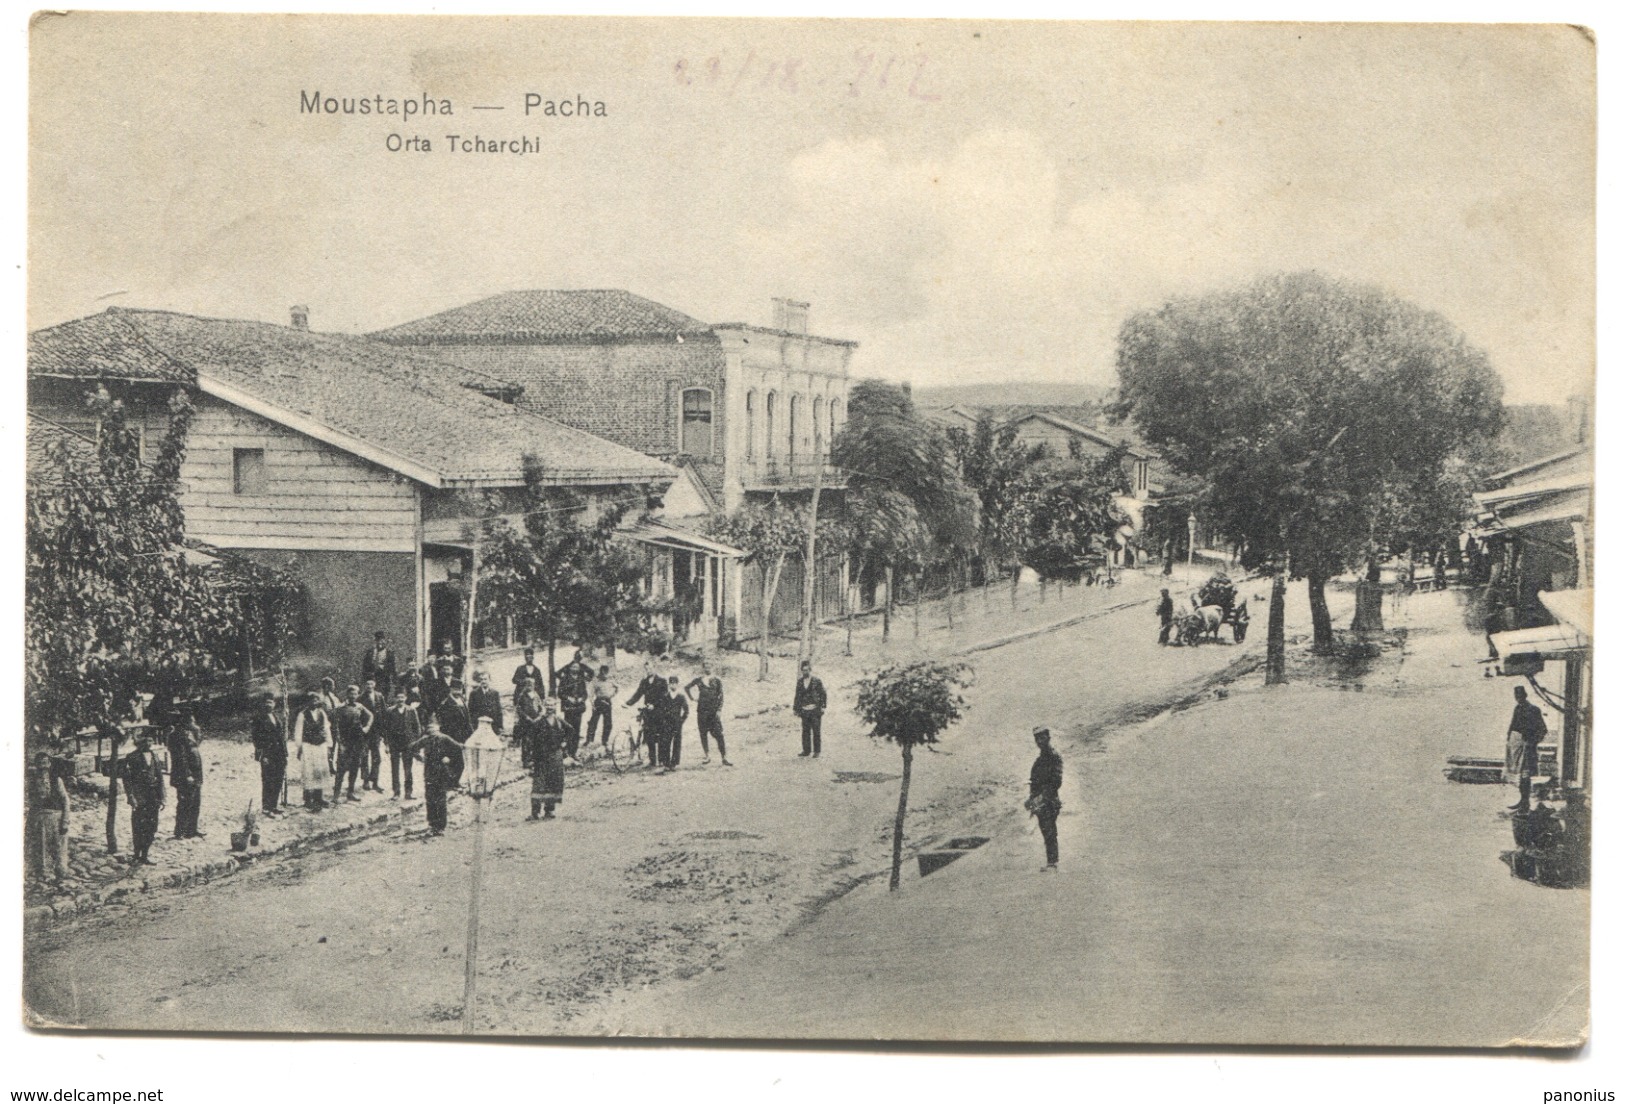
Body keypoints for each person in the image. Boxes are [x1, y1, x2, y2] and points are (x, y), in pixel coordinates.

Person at [410, 717, 464, 836]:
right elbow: (413, 748)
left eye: (434, 730)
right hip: (429, 771)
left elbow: (458, 749)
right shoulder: (426, 739)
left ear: (438, 729)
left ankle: (441, 825)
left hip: (441, 772)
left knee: (440, 798)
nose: (433, 733)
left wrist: (449, 759)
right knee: (430, 798)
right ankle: (432, 824)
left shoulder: (445, 738)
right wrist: (419, 757)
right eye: (430, 731)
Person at [27, 748, 70, 885]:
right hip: (40, 818)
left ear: (50, 764)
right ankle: (44, 874)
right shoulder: (32, 782)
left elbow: (65, 800)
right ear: (36, 765)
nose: (43, 767)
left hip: (56, 816)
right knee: (42, 847)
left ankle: (61, 874)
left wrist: (65, 821)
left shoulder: (56, 780)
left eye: (45, 763)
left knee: (59, 846)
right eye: (40, 763)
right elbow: (32, 803)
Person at [122, 731, 167, 865]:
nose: (148, 744)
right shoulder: (131, 757)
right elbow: (127, 780)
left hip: (153, 796)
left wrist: (162, 797)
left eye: (151, 741)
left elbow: (160, 777)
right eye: (145, 741)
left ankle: (145, 855)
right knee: (138, 826)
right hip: (140, 796)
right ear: (139, 742)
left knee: (152, 826)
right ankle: (136, 854)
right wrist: (131, 797)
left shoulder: (155, 756)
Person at [1026, 726, 1063, 871]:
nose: (1039, 741)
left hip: (1049, 800)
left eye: (1042, 738)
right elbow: (1034, 780)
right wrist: (1031, 799)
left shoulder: (1053, 757)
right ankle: (1051, 862)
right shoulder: (1040, 759)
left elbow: (1056, 781)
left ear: (1048, 737)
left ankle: (1053, 863)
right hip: (1040, 802)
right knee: (1045, 830)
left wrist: (1041, 797)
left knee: (1049, 830)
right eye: (1037, 739)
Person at [1507, 685, 1549, 812]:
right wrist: (1509, 740)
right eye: (1516, 696)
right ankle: (1522, 801)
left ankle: (1525, 804)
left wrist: (1532, 742)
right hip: (1518, 748)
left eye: (1520, 696)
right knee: (1520, 776)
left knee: (1526, 776)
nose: (1518, 698)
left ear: (1525, 696)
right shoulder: (1517, 709)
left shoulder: (1534, 710)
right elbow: (1513, 726)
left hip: (1529, 749)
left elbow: (1543, 730)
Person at [525, 697, 569, 820]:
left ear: (555, 706)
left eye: (552, 705)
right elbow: (529, 739)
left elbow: (571, 731)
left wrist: (564, 745)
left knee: (553, 782)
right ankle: (535, 812)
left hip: (555, 756)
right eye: (547, 705)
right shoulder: (538, 722)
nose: (550, 708)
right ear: (544, 706)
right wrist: (530, 757)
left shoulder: (559, 721)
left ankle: (549, 810)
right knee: (539, 783)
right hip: (541, 757)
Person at [330, 684, 375, 804]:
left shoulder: (360, 707)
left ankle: (350, 793)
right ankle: (336, 795)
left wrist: (367, 727)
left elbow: (371, 716)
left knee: (355, 767)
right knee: (341, 768)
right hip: (345, 741)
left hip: (357, 741)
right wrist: (340, 743)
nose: (353, 696)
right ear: (347, 694)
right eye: (351, 693)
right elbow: (335, 727)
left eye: (356, 694)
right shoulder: (340, 708)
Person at [376, 689, 421, 799]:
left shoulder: (411, 710)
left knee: (408, 769)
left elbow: (417, 727)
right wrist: (386, 744)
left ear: (405, 698)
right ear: (395, 699)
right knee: (395, 769)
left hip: (408, 744)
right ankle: (396, 792)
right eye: (398, 697)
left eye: (402, 697)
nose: (400, 700)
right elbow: (385, 729)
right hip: (394, 743)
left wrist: (416, 743)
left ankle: (408, 793)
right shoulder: (389, 711)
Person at [292, 693, 333, 811]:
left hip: (320, 745)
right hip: (308, 746)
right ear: (307, 702)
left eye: (316, 700)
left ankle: (318, 797)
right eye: (311, 700)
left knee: (320, 771)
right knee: (309, 771)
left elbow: (326, 729)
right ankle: (308, 799)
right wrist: (299, 747)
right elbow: (298, 732)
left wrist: (329, 745)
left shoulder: (322, 713)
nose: (314, 702)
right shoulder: (302, 715)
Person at [685, 660, 730, 766]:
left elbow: (721, 696)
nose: (708, 668)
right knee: (703, 734)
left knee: (719, 734)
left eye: (709, 666)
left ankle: (724, 757)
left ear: (712, 667)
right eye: (706, 667)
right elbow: (686, 687)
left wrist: (719, 710)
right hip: (701, 711)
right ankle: (707, 756)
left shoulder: (716, 680)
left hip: (713, 712)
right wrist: (692, 698)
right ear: (703, 668)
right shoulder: (699, 680)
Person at [626, 659, 669, 767]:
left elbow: (664, 697)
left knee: (660, 737)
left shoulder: (662, 681)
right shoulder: (644, 682)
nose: (648, 670)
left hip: (659, 712)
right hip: (648, 713)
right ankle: (652, 760)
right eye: (646, 669)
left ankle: (662, 760)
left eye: (650, 668)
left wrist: (654, 705)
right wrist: (628, 703)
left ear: (654, 668)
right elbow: (638, 694)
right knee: (649, 736)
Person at [250, 692, 288, 817]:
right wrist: (262, 755)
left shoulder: (276, 717)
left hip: (279, 753)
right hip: (267, 753)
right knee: (268, 780)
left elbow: (281, 736)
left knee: (278, 779)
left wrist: (285, 753)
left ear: (274, 704)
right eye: (266, 702)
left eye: (270, 702)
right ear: (262, 704)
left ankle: (274, 805)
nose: (268, 705)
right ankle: (266, 807)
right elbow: (256, 739)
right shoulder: (258, 718)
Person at [553, 649, 592, 761]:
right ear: (570, 668)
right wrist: (568, 698)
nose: (575, 669)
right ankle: (566, 752)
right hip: (568, 707)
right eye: (573, 667)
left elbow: (585, 694)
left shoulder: (581, 680)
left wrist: (581, 699)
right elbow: (560, 693)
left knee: (577, 730)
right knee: (568, 729)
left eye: (577, 667)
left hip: (578, 708)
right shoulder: (565, 679)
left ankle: (573, 752)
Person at [170, 723, 205, 840]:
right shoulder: (175, 735)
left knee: (195, 802)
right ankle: (180, 831)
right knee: (185, 803)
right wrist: (187, 774)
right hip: (184, 776)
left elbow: (197, 743)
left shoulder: (192, 733)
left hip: (196, 773)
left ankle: (192, 829)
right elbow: (180, 758)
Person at [793, 660, 827, 758]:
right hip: (804, 710)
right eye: (803, 670)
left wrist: (823, 706)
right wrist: (796, 709)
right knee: (805, 731)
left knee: (816, 731)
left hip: (815, 710)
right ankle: (806, 750)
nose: (805, 672)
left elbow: (823, 694)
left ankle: (817, 751)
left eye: (807, 670)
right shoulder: (800, 682)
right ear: (801, 671)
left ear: (810, 670)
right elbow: (797, 696)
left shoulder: (817, 681)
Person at [358, 679, 387, 792]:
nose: (369, 686)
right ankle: (365, 781)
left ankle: (375, 781)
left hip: (376, 731)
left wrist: (383, 732)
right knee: (364, 756)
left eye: (371, 684)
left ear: (375, 685)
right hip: (365, 732)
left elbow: (383, 713)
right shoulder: (360, 698)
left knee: (376, 758)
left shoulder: (379, 696)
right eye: (367, 684)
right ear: (364, 685)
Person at [513, 676, 544, 771]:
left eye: (531, 684)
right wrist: (526, 717)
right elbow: (519, 709)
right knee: (526, 742)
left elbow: (540, 707)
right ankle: (526, 761)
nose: (530, 686)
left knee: (535, 740)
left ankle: (533, 759)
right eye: (528, 684)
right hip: (525, 723)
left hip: (536, 722)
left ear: (534, 685)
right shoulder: (522, 696)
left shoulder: (536, 695)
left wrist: (540, 716)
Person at [661, 675, 690, 771]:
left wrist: (681, 721)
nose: (673, 685)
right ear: (669, 685)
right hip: (667, 723)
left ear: (678, 684)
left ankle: (674, 763)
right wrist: (664, 720)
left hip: (677, 723)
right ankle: (666, 763)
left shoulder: (681, 696)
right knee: (666, 742)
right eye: (671, 683)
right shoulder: (665, 696)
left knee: (677, 743)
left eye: (675, 683)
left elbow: (686, 711)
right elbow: (661, 709)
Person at [586, 665, 618, 748]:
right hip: (598, 702)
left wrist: (612, 694)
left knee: (608, 723)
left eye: (606, 673)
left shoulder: (611, 680)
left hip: (607, 702)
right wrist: (592, 704)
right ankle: (589, 740)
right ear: (600, 672)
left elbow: (617, 687)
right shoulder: (596, 681)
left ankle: (605, 741)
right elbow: (591, 694)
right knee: (593, 722)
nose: (604, 675)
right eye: (602, 673)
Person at [468, 670, 506, 739]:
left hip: (492, 726)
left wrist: (500, 727)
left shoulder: (495, 693)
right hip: (478, 726)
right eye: (481, 679)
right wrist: (472, 726)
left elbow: (498, 711)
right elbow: (470, 711)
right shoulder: (474, 693)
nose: (483, 681)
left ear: (489, 680)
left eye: (485, 679)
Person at [361, 630, 397, 697]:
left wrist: (383, 668)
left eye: (382, 640)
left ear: (385, 641)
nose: (380, 642)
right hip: (371, 680)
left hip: (384, 680)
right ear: (375, 641)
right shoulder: (370, 652)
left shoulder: (389, 653)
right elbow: (365, 667)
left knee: (382, 698)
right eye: (378, 640)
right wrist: (366, 677)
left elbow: (392, 669)